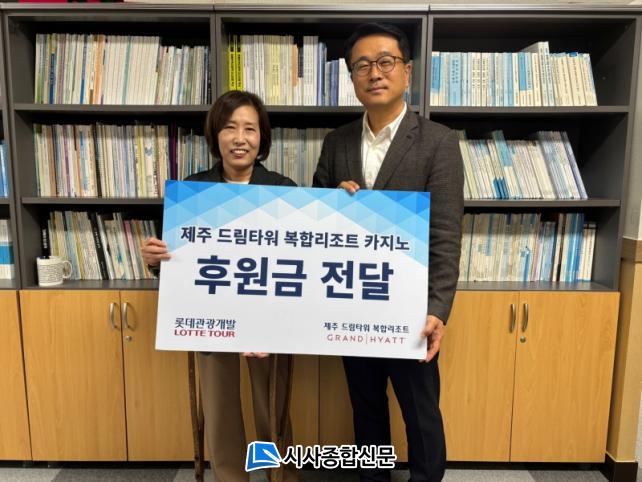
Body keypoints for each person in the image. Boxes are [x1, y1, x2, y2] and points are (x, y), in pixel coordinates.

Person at [313, 23, 464, 482]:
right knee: (366, 406)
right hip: (352, 304)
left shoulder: (438, 141)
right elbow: (314, 221)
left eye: (385, 61)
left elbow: (445, 232)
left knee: (421, 411)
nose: (374, 73)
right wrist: (332, 202)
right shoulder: (337, 142)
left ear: (406, 71)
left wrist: (437, 309)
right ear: (351, 77)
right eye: (362, 65)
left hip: (410, 309)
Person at [142, 90, 298, 482]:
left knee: (273, 408)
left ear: (262, 137)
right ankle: (230, 477)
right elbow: (177, 267)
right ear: (216, 135)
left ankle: (280, 476)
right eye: (230, 128)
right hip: (211, 318)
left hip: (270, 321)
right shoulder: (193, 192)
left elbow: (301, 264)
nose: (240, 138)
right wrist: (156, 261)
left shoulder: (283, 188)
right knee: (220, 409)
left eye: (250, 129)